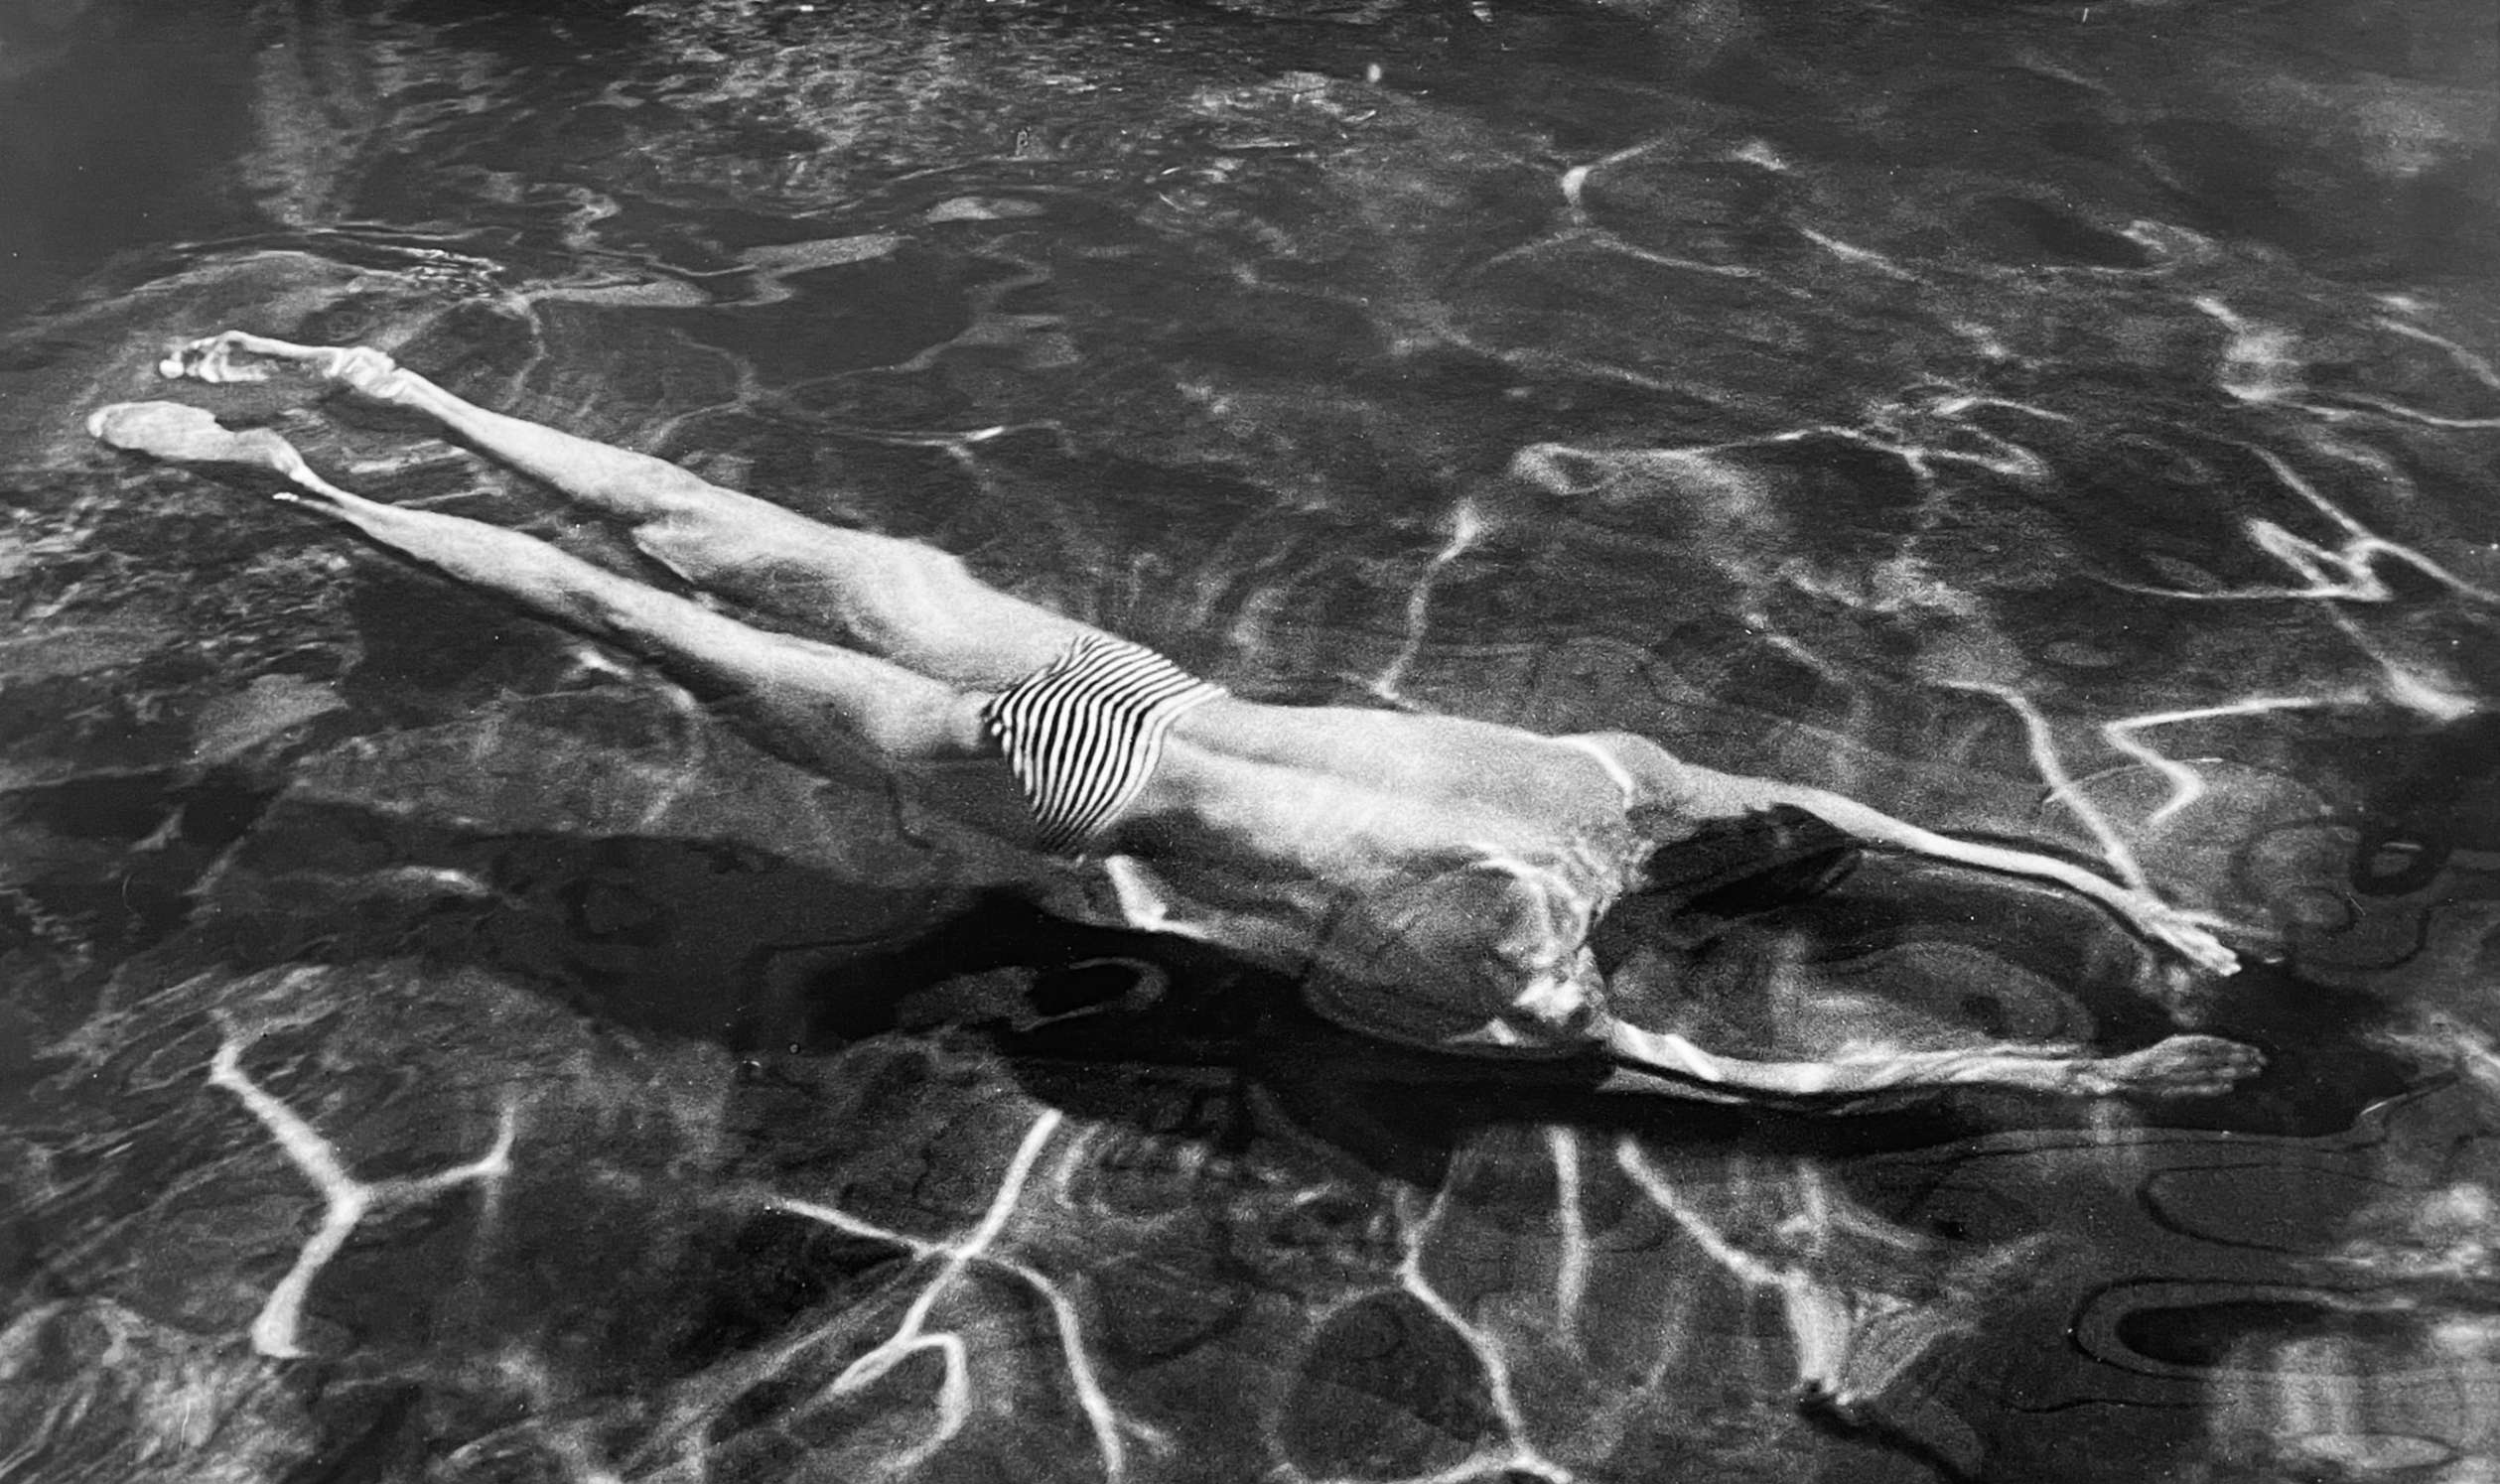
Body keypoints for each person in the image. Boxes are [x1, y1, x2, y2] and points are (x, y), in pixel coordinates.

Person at [88, 332, 2263, 1106]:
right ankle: (300, 467)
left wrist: (2117, 896)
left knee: (705, 529)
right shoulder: (1528, 980)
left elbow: (1868, 827)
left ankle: (390, 398)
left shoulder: (1614, 778)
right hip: (1067, 769)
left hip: (1105, 680)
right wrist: (2082, 1046)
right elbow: (1770, 1077)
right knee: (631, 615)